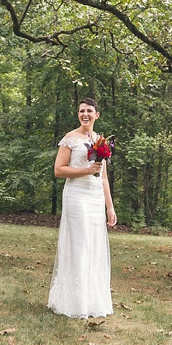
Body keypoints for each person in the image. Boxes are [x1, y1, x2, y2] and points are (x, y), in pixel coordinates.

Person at [47, 97, 116, 319]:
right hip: (76, 196)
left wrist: (110, 208)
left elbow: (103, 177)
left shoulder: (101, 141)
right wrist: (85, 171)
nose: (84, 114)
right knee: (79, 244)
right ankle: (74, 303)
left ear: (97, 115)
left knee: (94, 246)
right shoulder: (70, 138)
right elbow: (59, 170)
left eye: (89, 111)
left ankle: (93, 301)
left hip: (95, 197)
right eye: (81, 111)